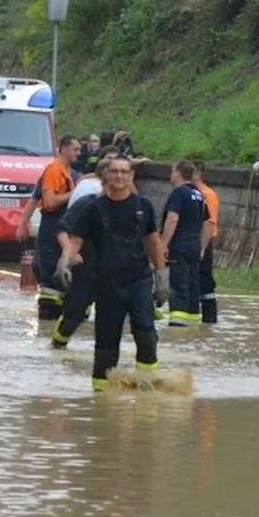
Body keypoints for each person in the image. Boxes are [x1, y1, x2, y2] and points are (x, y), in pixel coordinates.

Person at [56, 156, 169, 391]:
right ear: (107, 175)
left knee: (146, 332)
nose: (119, 176)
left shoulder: (143, 206)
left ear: (131, 176)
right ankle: (101, 397)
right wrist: (64, 263)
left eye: (124, 172)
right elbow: (76, 240)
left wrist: (162, 276)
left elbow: (154, 242)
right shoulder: (93, 209)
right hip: (107, 284)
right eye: (115, 171)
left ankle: (147, 388)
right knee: (106, 345)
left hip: (138, 280)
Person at [51, 152, 116, 348]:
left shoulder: (134, 205)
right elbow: (63, 229)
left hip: (114, 269)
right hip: (86, 264)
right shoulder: (88, 203)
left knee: (115, 315)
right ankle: (57, 345)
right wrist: (68, 256)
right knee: (76, 311)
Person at [32, 134, 81, 320]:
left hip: (62, 228)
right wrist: (74, 193)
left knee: (62, 278)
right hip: (51, 229)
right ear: (65, 149)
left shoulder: (67, 171)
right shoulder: (54, 170)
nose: (79, 153)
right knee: (51, 276)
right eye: (75, 149)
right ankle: (47, 320)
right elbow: (50, 202)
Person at [159, 161, 211, 327]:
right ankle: (193, 324)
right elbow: (207, 224)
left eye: (172, 172)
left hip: (179, 246)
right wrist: (202, 248)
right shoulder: (199, 194)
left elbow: (172, 219)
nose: (170, 175)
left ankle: (178, 325)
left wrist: (163, 245)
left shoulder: (179, 193)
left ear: (178, 173)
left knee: (178, 284)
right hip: (194, 247)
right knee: (192, 284)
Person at [193, 161, 221, 324]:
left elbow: (210, 223)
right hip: (195, 241)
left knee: (205, 282)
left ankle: (210, 319)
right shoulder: (193, 192)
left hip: (204, 242)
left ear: (198, 173)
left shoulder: (207, 194)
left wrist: (202, 248)